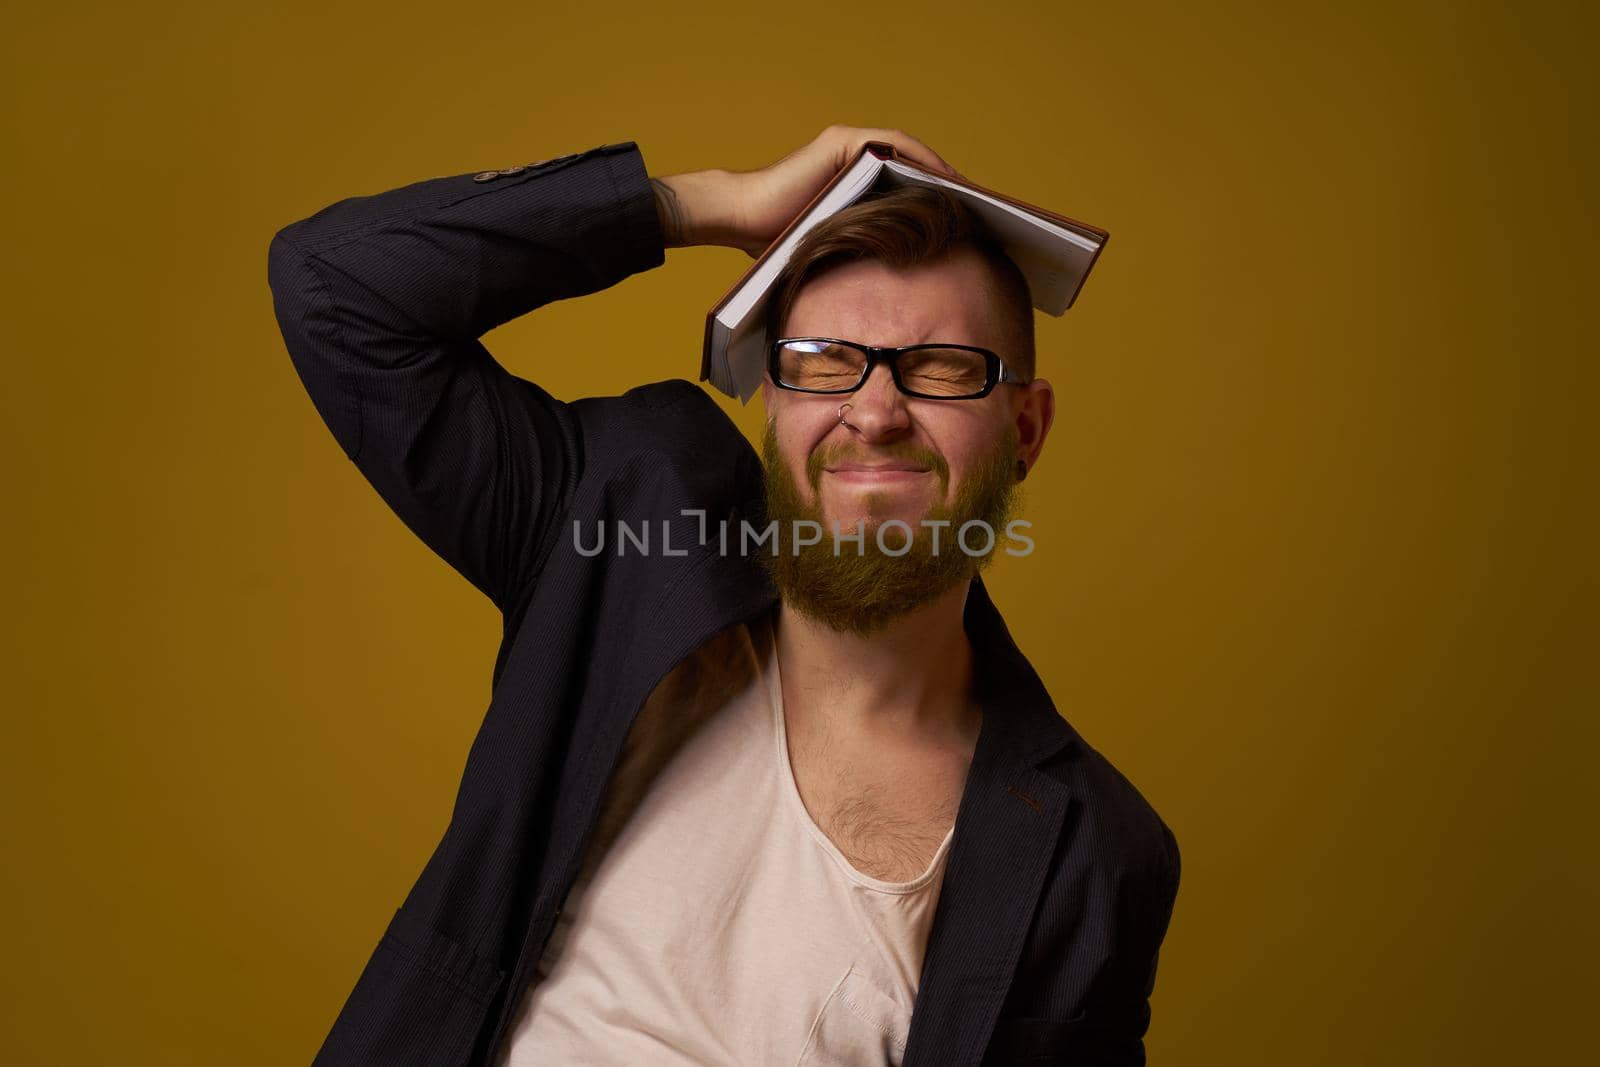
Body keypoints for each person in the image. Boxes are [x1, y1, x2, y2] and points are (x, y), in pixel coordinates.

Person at [267, 125, 1180, 1067]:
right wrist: (705, 205)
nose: (873, 411)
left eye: (943, 367)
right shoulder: (617, 527)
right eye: (824, 360)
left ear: (1024, 429)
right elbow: (334, 285)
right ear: (773, 401)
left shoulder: (1095, 856)